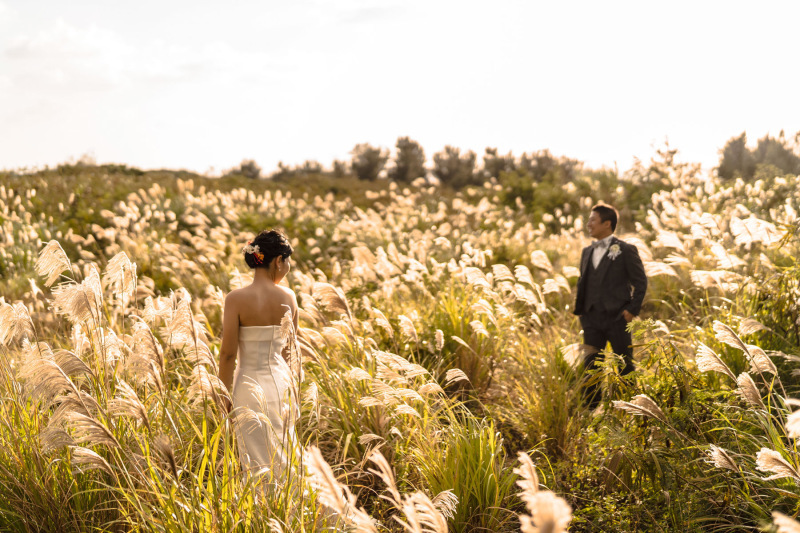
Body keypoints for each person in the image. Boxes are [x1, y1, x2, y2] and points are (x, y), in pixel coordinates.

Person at [218, 229, 300, 486]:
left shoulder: (235, 299)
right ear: (278, 260)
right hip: (280, 386)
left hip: (247, 388)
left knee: (253, 459)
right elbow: (291, 353)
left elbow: (228, 354)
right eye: (287, 261)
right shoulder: (288, 297)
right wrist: (293, 391)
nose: (287, 267)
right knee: (285, 453)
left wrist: (223, 395)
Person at [573, 204, 647, 409]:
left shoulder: (625, 249)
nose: (588, 224)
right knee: (591, 367)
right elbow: (584, 281)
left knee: (624, 365)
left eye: (593, 220)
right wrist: (583, 313)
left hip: (617, 318)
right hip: (591, 319)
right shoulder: (587, 251)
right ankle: (590, 411)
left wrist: (631, 310)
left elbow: (640, 282)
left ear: (607, 224)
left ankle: (631, 409)